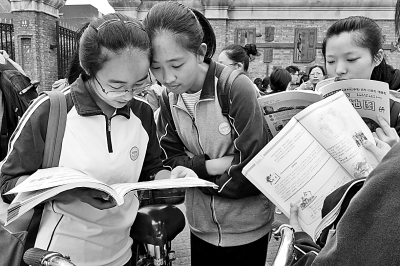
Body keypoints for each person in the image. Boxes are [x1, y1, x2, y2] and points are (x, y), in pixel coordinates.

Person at [0, 13, 194, 266]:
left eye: (138, 84)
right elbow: (7, 184)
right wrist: (69, 192)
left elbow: (150, 169)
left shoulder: (142, 112)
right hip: (57, 255)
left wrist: (170, 179)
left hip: (123, 250)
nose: (127, 95)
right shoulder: (51, 110)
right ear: (89, 69)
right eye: (116, 85)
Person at [143, 2, 273, 266]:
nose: (167, 78)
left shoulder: (235, 88)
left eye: (176, 64)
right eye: (156, 68)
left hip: (247, 228)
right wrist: (219, 164)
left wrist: (197, 172)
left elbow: (252, 164)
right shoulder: (169, 99)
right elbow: (170, 158)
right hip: (200, 227)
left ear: (201, 52)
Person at [287, 15, 400, 266]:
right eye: (330, 61)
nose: (339, 69)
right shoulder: (317, 102)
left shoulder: (396, 110)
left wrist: (392, 158)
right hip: (323, 218)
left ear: (377, 57)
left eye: (351, 59)